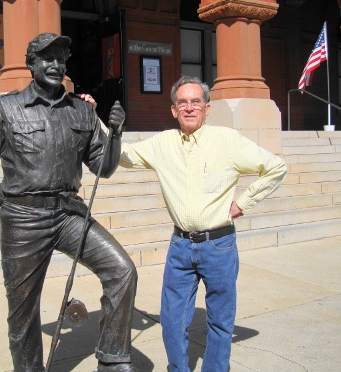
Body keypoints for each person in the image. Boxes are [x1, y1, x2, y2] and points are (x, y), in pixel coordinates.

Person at [0, 33, 138, 372]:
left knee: (122, 270)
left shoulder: (81, 111)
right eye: (47, 58)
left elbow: (103, 169)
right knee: (23, 308)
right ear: (31, 63)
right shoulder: (5, 108)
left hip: (69, 215)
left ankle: (113, 359)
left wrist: (117, 133)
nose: (55, 65)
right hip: (23, 218)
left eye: (61, 59)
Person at [115, 75, 287, 371]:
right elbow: (123, 156)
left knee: (220, 321)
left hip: (219, 246)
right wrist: (103, 125)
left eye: (196, 102)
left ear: (207, 109)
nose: (190, 107)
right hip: (180, 247)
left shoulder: (227, 140)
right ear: (174, 110)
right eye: (183, 102)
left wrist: (244, 203)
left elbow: (275, 167)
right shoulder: (163, 144)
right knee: (170, 320)